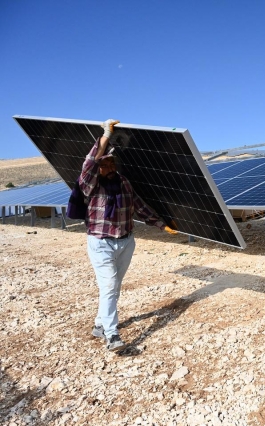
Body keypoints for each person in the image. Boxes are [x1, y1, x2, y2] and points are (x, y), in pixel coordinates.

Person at [80, 119, 178, 350]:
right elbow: (89, 162)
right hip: (100, 242)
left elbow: (139, 206)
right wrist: (105, 135)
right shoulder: (90, 183)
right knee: (110, 285)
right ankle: (112, 335)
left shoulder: (123, 182)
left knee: (113, 287)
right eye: (104, 165)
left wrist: (161, 225)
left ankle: (99, 325)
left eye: (112, 163)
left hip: (125, 241)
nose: (109, 167)